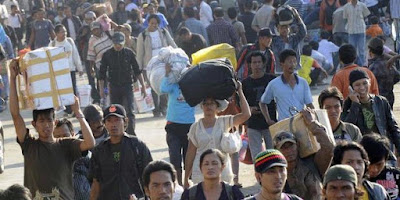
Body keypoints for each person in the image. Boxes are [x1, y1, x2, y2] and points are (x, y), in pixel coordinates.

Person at [9, 58, 95, 199]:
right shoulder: (29, 145)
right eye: (41, 121)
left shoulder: (66, 145)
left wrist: (78, 112)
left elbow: (90, 143)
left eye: (49, 120)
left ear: (55, 122)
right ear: (34, 124)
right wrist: (12, 79)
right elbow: (15, 115)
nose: (46, 125)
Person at [184, 81, 251, 187]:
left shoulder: (224, 122)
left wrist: (240, 91)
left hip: (222, 172)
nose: (208, 106)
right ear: (202, 106)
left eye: (211, 103)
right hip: (200, 173)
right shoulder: (195, 127)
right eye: (205, 103)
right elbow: (190, 154)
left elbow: (246, 114)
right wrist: (186, 177)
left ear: (217, 106)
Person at [89, 104, 153, 199]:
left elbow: (151, 176)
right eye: (109, 121)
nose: (113, 125)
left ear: (125, 121)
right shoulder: (99, 150)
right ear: (104, 124)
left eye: (117, 120)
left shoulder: (138, 146)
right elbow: (96, 183)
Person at [272, 109, 335, 200]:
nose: (289, 151)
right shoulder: (276, 174)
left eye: (291, 146)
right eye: (284, 148)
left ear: (297, 145)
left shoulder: (312, 164)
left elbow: (328, 147)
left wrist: (312, 123)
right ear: (277, 151)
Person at [342, 69, 400, 164]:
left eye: (365, 83)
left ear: (370, 83)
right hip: (361, 154)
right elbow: (347, 129)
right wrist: (355, 104)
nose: (362, 87)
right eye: (357, 85)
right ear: (351, 88)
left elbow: (393, 128)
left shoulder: (381, 102)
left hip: (382, 150)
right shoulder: (348, 105)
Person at [99, 32, 146, 136]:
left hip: (127, 85)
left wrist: (143, 86)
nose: (118, 46)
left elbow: (137, 71)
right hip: (114, 86)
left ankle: (131, 134)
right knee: (115, 111)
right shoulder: (107, 55)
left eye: (120, 44)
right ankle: (118, 133)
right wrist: (102, 90)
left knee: (129, 110)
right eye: (116, 44)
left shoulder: (129, 53)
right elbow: (101, 75)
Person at [160, 64, 195, 186]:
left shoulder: (193, 87)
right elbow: (162, 89)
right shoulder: (174, 86)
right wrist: (167, 73)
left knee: (188, 158)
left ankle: (187, 183)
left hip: (189, 127)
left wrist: (195, 72)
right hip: (173, 127)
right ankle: (178, 184)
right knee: (175, 158)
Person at [136, 14, 177, 117]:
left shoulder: (163, 32)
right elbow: (140, 52)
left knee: (164, 85)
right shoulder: (143, 35)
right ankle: (156, 110)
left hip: (163, 64)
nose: (154, 25)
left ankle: (164, 107)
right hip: (149, 65)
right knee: (153, 87)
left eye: (156, 23)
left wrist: (177, 54)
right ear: (148, 23)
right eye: (152, 23)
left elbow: (171, 43)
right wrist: (139, 68)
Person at [260, 49, 314, 122]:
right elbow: (263, 103)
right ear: (281, 64)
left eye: (294, 61)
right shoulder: (274, 84)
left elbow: (309, 104)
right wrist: (268, 119)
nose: (292, 64)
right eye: (289, 61)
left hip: (301, 123)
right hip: (284, 125)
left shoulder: (303, 83)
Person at [242, 51, 277, 159]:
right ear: (250, 65)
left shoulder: (271, 80)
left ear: (263, 64)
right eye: (254, 62)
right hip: (253, 123)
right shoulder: (245, 83)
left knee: (273, 153)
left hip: (270, 122)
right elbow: (240, 102)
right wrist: (249, 109)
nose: (257, 65)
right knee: (256, 156)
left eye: (259, 62)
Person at [49, 24, 83, 115]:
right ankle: (67, 110)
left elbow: (75, 54)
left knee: (73, 90)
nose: (64, 33)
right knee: (63, 91)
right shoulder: (52, 44)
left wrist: (79, 68)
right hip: (59, 72)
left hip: (70, 70)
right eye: (61, 32)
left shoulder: (69, 41)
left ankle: (75, 110)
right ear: (56, 33)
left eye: (65, 31)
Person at [53, 118, 91, 200]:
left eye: (65, 136)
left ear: (72, 134)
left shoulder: (84, 156)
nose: (62, 139)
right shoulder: (47, 160)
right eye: (57, 137)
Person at [360, 134, 400, 200]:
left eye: (379, 164)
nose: (374, 169)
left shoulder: (396, 175)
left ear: (386, 159)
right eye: (370, 164)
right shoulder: (358, 179)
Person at [270, 6, 306, 74]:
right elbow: (270, 31)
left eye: (286, 28)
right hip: (280, 71)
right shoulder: (275, 40)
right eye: (282, 28)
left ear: (289, 29)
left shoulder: (294, 39)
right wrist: (273, 18)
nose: (284, 30)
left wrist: (297, 16)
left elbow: (303, 32)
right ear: (278, 29)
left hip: (294, 70)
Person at [367, 37, 400, 108]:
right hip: (389, 98)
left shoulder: (372, 67)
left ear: (370, 52)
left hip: (376, 100)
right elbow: (397, 77)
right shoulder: (389, 65)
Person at [87, 21, 113, 105]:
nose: (96, 31)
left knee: (112, 82)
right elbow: (91, 55)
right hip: (100, 65)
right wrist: (91, 67)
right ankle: (104, 100)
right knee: (103, 84)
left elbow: (118, 28)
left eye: (97, 29)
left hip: (112, 62)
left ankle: (112, 98)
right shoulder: (91, 40)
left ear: (101, 29)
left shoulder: (107, 34)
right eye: (94, 30)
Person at [343, 0, 370, 66]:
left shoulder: (362, 5)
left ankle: (362, 65)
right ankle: (353, 65)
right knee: (352, 49)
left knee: (362, 50)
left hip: (361, 29)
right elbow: (345, 17)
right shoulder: (346, 7)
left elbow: (366, 15)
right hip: (351, 30)